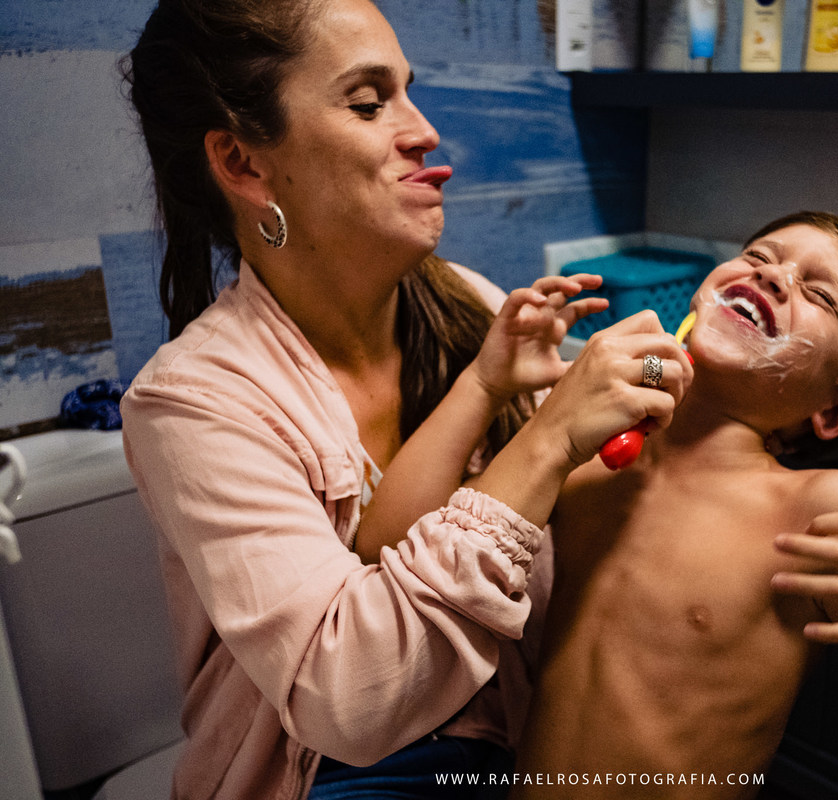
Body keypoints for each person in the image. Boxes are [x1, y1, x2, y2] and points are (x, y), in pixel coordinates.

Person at [118, 1, 692, 798]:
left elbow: (578, 524)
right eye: (367, 102)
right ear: (244, 164)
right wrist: (548, 441)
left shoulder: (473, 307)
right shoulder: (194, 403)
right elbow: (347, 702)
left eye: (408, 92)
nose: (424, 131)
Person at [512, 212, 838, 799]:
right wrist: (496, 384)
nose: (774, 277)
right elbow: (409, 554)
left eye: (819, 293)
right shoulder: (584, 444)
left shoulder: (817, 512)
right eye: (759, 256)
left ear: (834, 412)